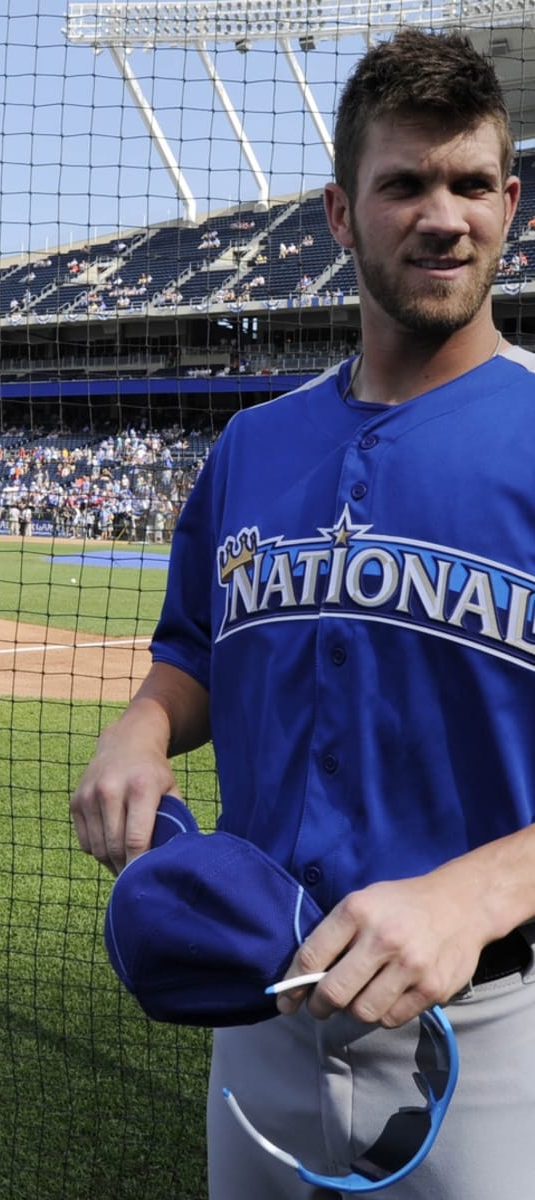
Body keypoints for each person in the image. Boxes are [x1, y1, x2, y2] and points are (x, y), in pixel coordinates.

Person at [71, 28, 535, 1200]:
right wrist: (139, 725)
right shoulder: (253, 447)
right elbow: (193, 655)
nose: (444, 216)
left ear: (512, 205)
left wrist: (472, 896)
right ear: (340, 213)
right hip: (259, 1017)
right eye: (405, 184)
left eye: (472, 184)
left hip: (493, 1024)